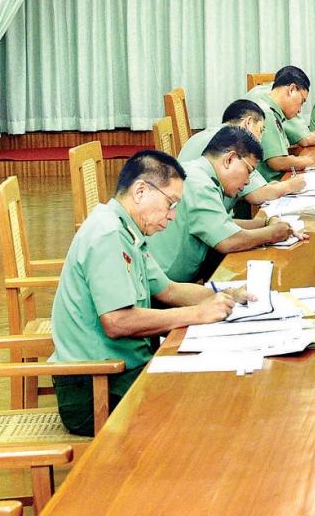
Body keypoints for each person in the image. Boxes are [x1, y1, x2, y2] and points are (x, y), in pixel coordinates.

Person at [51, 151, 252, 435]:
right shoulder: (108, 234)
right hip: (96, 389)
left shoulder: (128, 230)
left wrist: (229, 294)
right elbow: (117, 322)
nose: (173, 216)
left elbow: (169, 290)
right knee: (206, 408)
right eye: (171, 204)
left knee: (214, 391)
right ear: (141, 191)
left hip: (123, 373)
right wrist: (197, 314)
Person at [148, 127, 302, 283]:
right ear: (229, 159)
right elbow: (228, 240)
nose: (248, 182)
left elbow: (221, 224)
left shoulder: (200, 174)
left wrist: (265, 223)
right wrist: (272, 233)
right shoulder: (199, 184)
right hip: (163, 286)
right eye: (249, 171)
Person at [179, 99, 306, 206]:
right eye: (261, 130)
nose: (260, 139)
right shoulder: (233, 142)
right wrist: (290, 185)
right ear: (248, 122)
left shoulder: (214, 134)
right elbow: (257, 195)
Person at [252, 66, 315, 182]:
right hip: (270, 184)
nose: (299, 110)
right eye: (302, 101)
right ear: (292, 89)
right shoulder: (266, 113)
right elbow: (277, 162)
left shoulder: (270, 107)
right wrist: (311, 160)